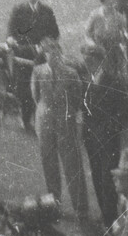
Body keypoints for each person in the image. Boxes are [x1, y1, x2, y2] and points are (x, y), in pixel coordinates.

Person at [30, 35, 93, 221]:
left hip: (66, 121)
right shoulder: (38, 72)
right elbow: (35, 96)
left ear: (61, 54)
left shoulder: (71, 74)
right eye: (48, 53)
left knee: (72, 164)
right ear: (44, 55)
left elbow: (77, 98)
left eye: (55, 52)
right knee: (49, 163)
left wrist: (68, 113)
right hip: (45, 121)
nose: (52, 56)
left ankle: (81, 208)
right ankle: (54, 204)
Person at [80, 43, 128, 223]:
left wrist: (109, 129)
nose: (87, 64)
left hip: (108, 139)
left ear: (99, 60)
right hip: (92, 138)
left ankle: (110, 219)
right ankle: (104, 215)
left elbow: (124, 112)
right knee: (97, 176)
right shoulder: (87, 80)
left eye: (90, 60)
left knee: (107, 179)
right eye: (86, 60)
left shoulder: (115, 82)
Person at [5, 0, 59, 132]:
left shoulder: (47, 11)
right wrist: (11, 40)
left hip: (41, 54)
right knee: (24, 88)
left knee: (43, 86)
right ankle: (25, 118)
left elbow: (54, 33)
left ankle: (38, 117)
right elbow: (10, 31)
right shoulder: (18, 9)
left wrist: (45, 45)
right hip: (23, 54)